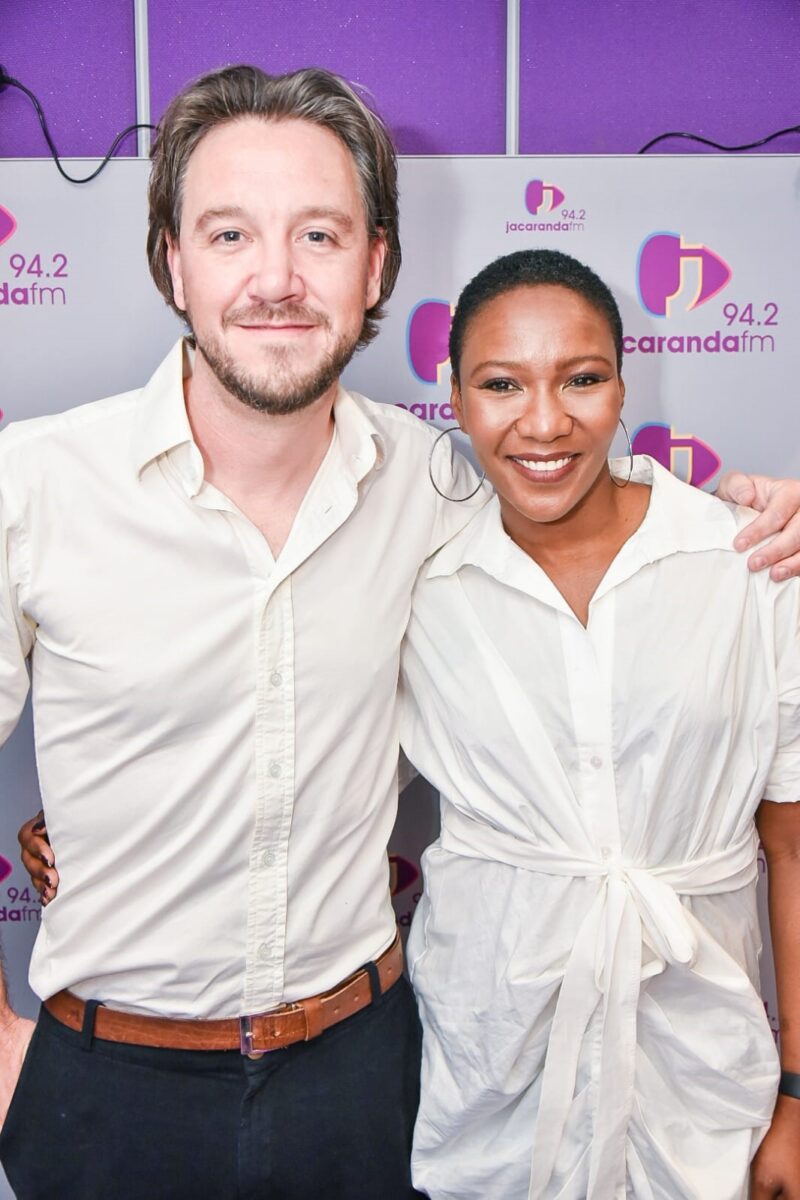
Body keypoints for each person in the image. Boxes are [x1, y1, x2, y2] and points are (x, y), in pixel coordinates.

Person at [7, 68, 800, 1200]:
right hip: (102, 1089)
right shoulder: (32, 486)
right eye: (229, 234)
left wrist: (760, 518)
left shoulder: (435, 485)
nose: (276, 279)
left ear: (375, 264)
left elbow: (575, 484)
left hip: (361, 1077)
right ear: (172, 261)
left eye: (319, 235)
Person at [397, 249, 800, 1199]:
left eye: (581, 379)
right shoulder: (417, 582)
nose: (544, 422)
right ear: (455, 397)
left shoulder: (746, 561)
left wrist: (797, 1090)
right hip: (494, 1074)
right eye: (502, 384)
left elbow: (792, 846)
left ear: (623, 386)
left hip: (703, 1080)